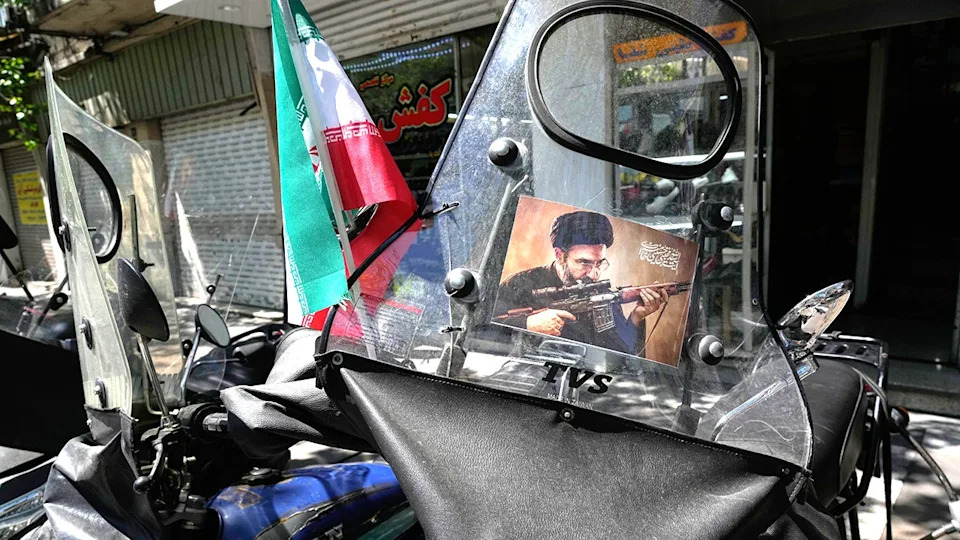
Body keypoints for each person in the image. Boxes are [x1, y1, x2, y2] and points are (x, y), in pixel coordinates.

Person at [494, 210, 668, 355]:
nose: (594, 274)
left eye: (599, 263)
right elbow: (484, 330)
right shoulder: (520, 284)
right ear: (559, 255)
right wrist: (527, 325)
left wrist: (637, 317)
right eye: (584, 263)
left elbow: (623, 357)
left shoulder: (601, 294)